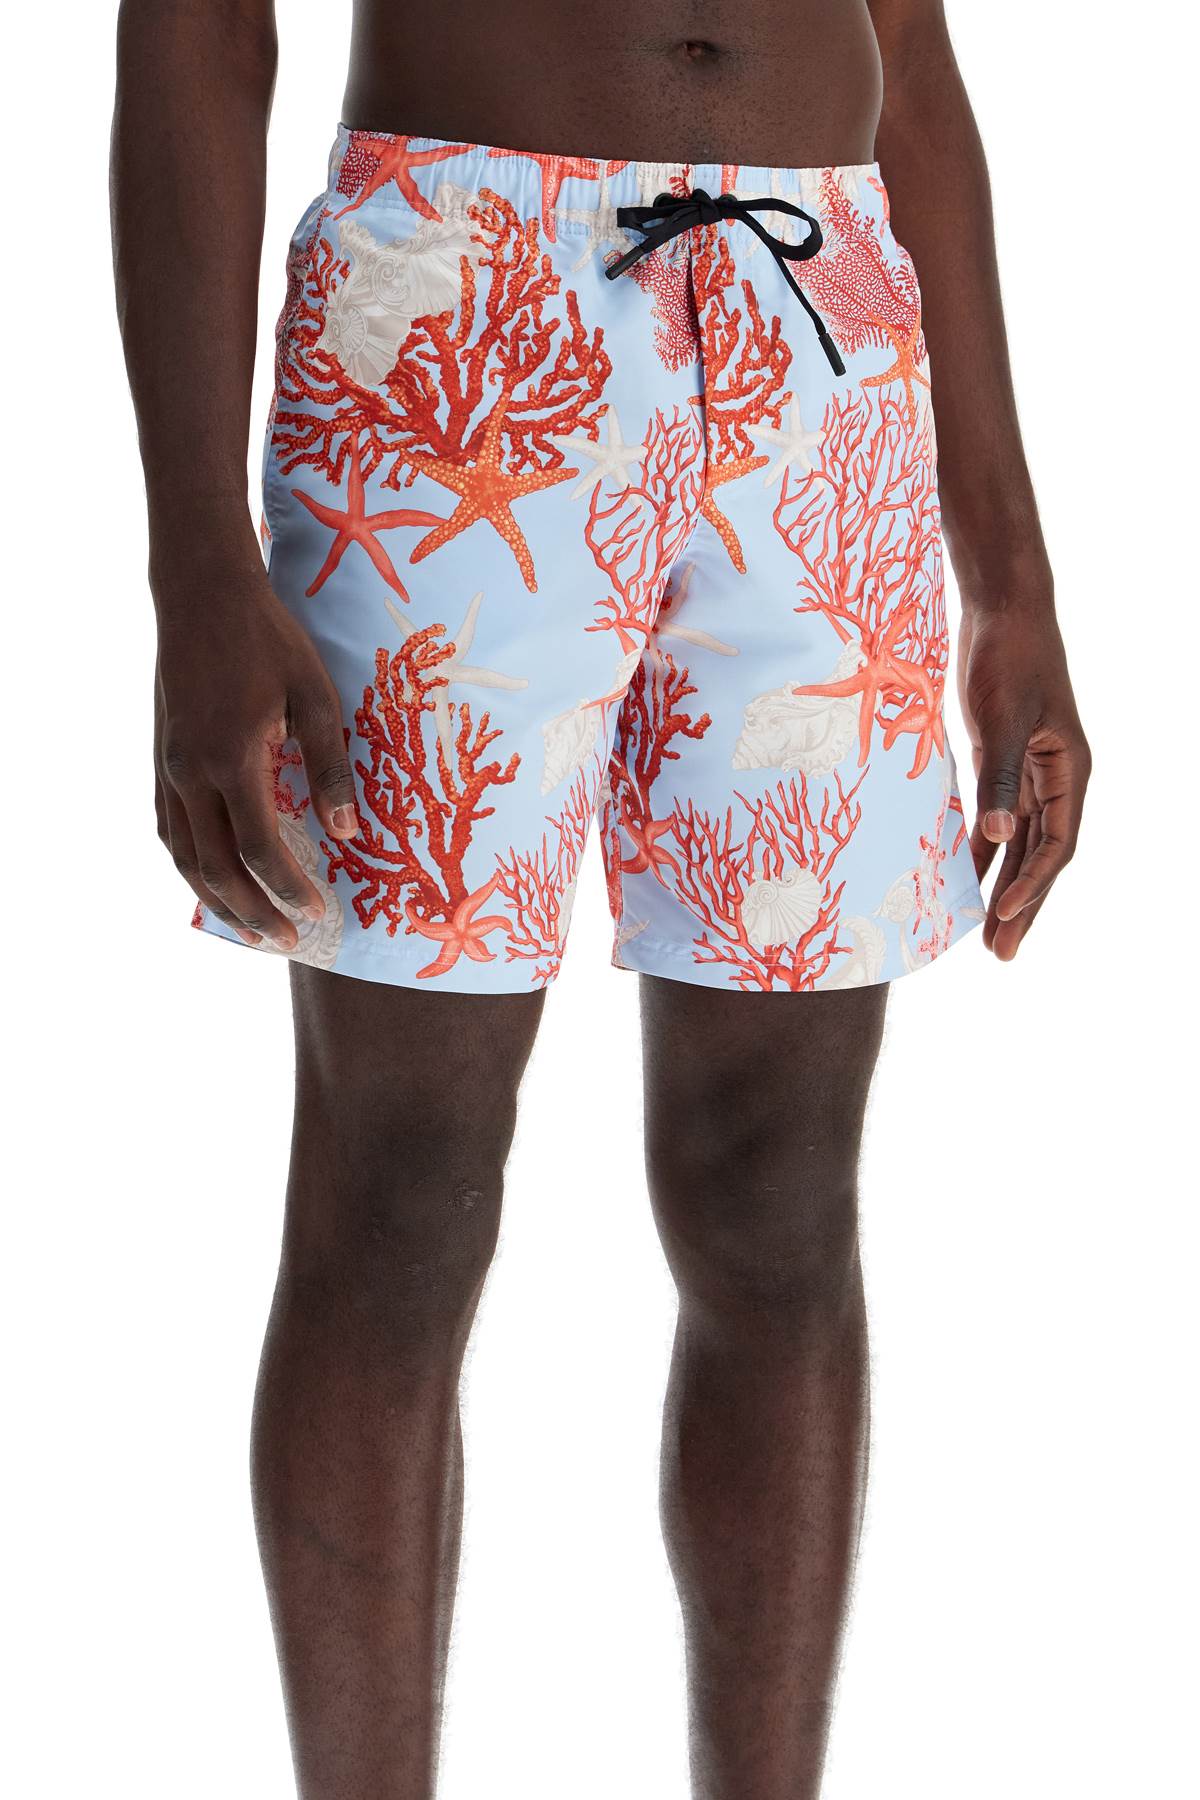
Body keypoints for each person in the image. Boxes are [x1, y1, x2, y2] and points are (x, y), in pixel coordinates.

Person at [110, 2, 1090, 1793]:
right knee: (401, 1185)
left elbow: (915, 50)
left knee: (782, 1189)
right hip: (463, 295)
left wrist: (1008, 574)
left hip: (824, 324)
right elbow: (195, 27)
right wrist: (193, 563)